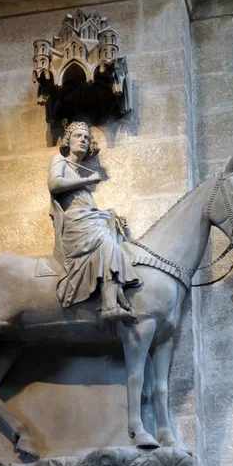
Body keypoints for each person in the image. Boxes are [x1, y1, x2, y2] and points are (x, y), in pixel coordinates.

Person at [48, 121, 140, 323]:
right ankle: (109, 307)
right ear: (68, 140)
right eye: (78, 136)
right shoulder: (60, 161)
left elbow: (86, 207)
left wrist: (108, 215)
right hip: (75, 226)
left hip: (87, 221)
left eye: (86, 138)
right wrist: (87, 181)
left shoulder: (78, 171)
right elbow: (54, 184)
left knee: (115, 240)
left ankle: (114, 293)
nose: (83, 140)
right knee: (107, 244)